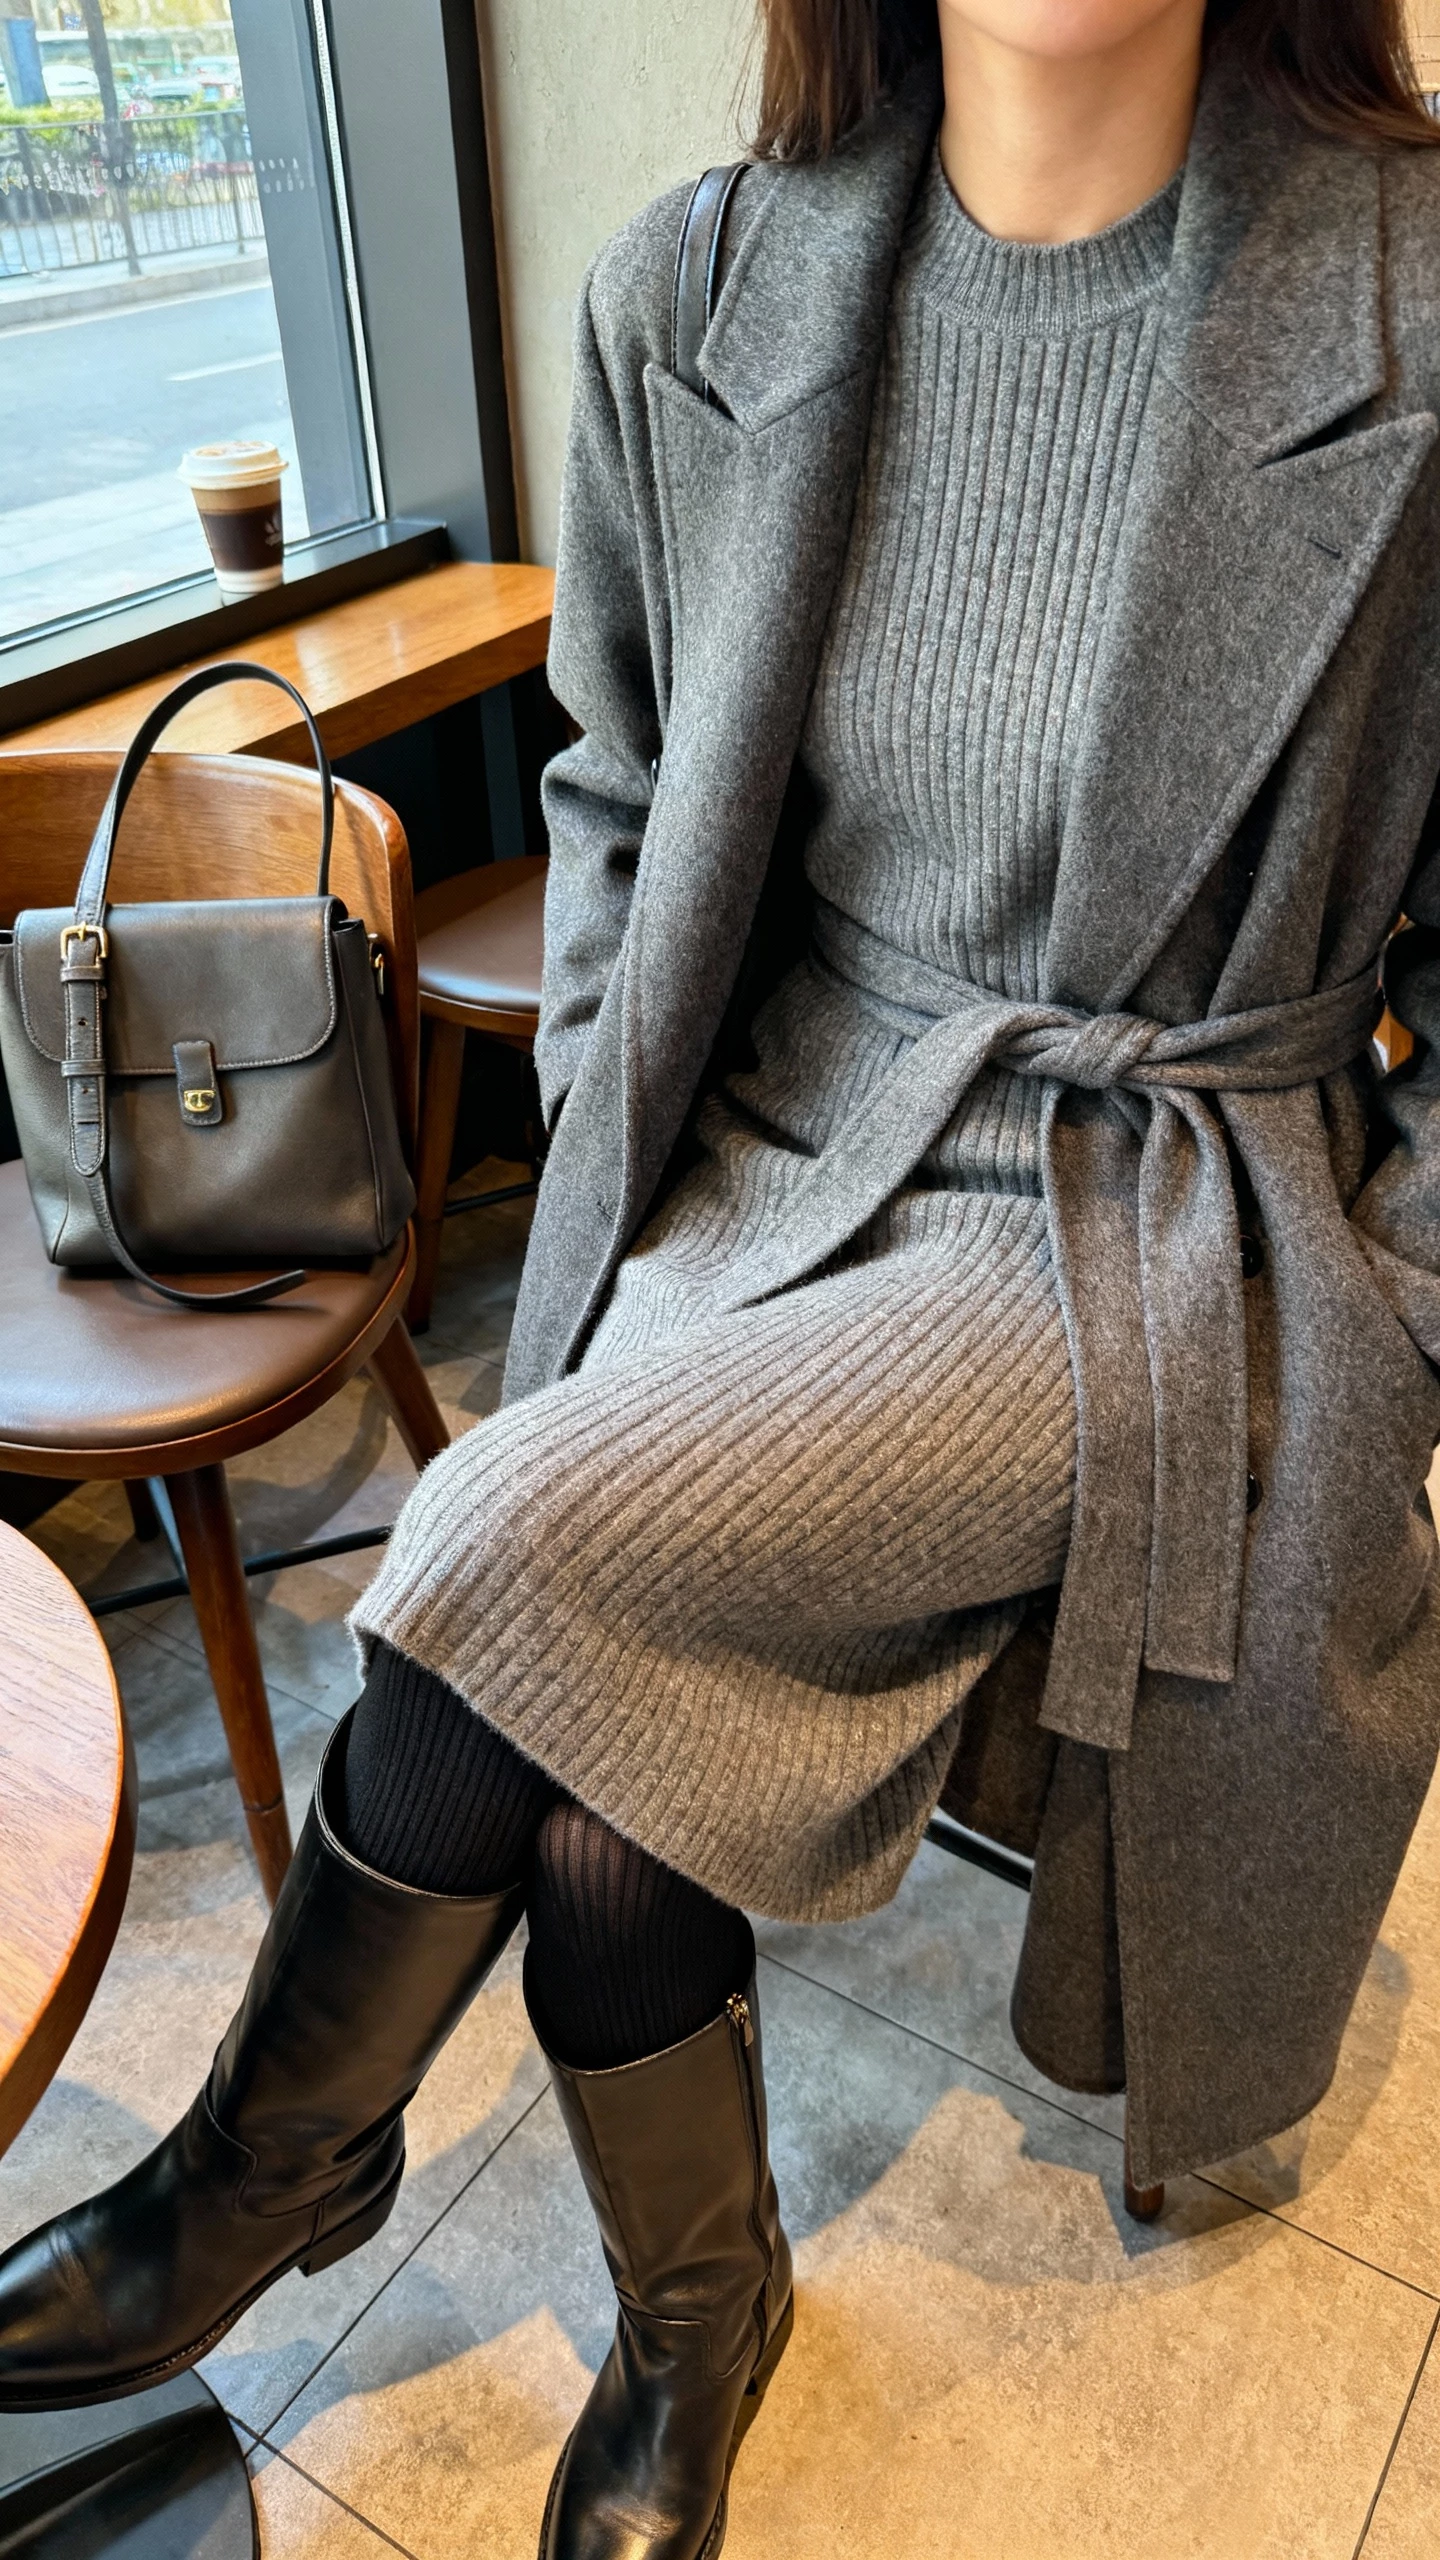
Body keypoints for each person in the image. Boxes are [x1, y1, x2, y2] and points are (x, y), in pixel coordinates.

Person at [4, 0, 1440, 2550]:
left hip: (1142, 1196)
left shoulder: (1416, 299)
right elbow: (621, 788)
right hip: (768, 1134)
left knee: (504, 1554)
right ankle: (706, 2311)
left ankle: (250, 2179)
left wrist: (1400, 1307)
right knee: (599, 1706)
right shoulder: (699, 282)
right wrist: (611, 1136)